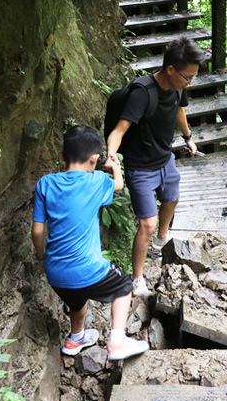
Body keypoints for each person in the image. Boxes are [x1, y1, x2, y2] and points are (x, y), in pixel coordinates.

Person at [31, 125, 149, 360]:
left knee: (77, 299)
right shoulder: (96, 181)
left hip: (55, 273)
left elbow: (36, 231)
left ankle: (76, 339)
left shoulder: (45, 184)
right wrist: (115, 168)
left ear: (62, 156)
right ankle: (117, 342)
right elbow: (119, 185)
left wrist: (42, 258)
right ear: (95, 158)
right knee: (124, 286)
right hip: (88, 269)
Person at [106, 36, 205, 297]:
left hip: (165, 159)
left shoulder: (178, 85)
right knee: (146, 224)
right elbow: (119, 130)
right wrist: (111, 155)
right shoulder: (142, 93)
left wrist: (188, 137)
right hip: (140, 167)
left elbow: (179, 111)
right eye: (188, 77)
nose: (190, 82)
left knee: (172, 198)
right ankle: (136, 279)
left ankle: (162, 240)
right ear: (171, 69)